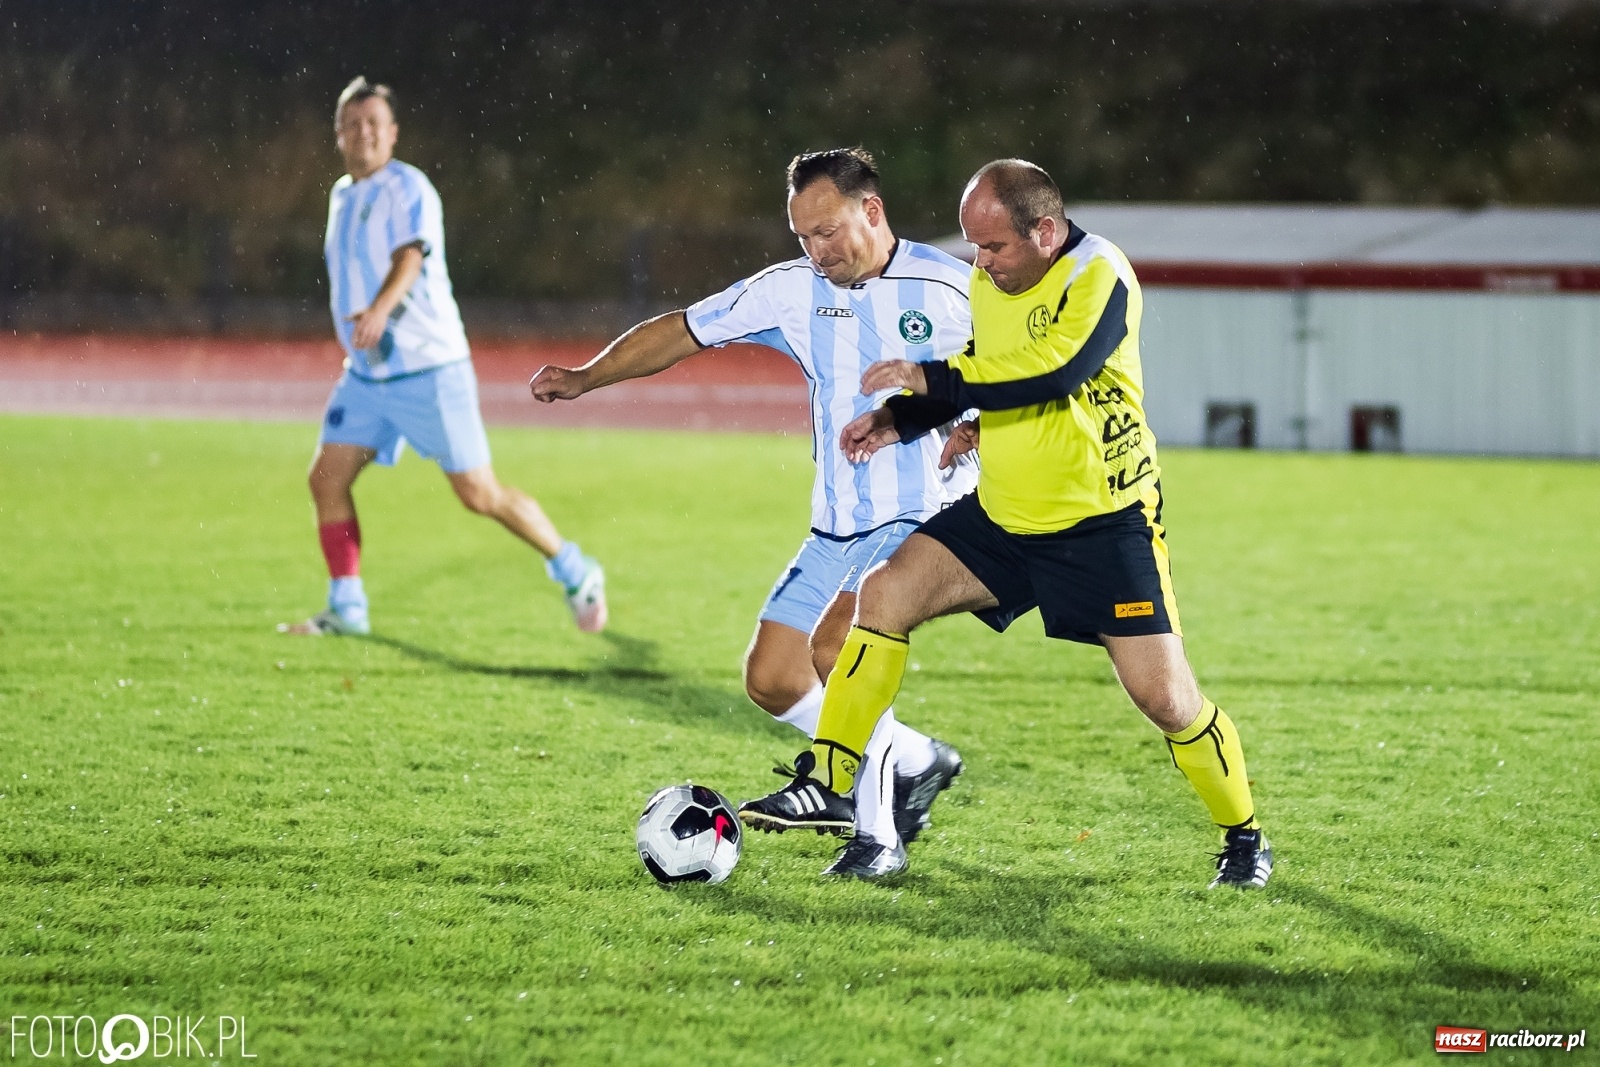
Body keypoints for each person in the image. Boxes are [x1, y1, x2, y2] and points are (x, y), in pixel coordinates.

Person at [754, 159, 1273, 886]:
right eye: (974, 246)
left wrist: (928, 377)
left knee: (1165, 698)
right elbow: (984, 366)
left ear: (1046, 231)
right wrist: (903, 419)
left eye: (994, 246)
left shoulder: (1099, 273)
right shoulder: (989, 281)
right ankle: (831, 779)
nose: (982, 262)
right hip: (1003, 514)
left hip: (1101, 524)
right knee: (884, 594)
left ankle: (1244, 836)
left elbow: (1055, 371)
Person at [531, 148, 974, 873]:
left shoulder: (952, 287)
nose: (816, 250)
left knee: (839, 645)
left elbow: (1022, 373)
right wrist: (586, 378)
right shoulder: (791, 290)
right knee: (772, 677)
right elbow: (681, 329)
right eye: (803, 236)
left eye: (827, 231)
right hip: (837, 521)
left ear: (871, 210)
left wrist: (980, 428)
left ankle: (876, 837)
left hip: (922, 512)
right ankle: (916, 759)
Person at [281, 77, 605, 637]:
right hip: (366, 377)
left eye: (374, 123)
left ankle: (574, 569)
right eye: (353, 124)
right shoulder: (341, 194)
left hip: (429, 371)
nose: (364, 133)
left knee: (480, 494)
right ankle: (347, 607)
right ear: (338, 134)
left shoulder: (409, 188)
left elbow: (411, 256)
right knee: (326, 480)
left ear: (393, 133)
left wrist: (380, 309)